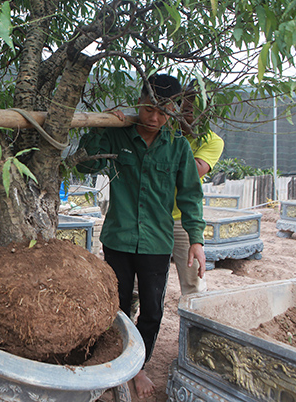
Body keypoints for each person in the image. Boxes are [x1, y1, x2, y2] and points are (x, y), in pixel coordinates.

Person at [76, 74, 205, 398]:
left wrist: (196, 240)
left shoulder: (177, 147)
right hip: (118, 239)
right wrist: (104, 125)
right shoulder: (119, 136)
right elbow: (83, 165)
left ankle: (138, 367)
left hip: (156, 244)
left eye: (163, 111)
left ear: (173, 110)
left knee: (152, 310)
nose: (154, 117)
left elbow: (190, 194)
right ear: (139, 102)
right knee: (116, 307)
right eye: (149, 108)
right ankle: (113, 362)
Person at [172, 86, 224, 295]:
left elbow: (193, 172)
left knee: (193, 284)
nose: (186, 116)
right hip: (153, 216)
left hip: (182, 219)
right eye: (183, 110)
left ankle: (195, 326)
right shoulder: (165, 132)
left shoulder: (212, 141)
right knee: (140, 283)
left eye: (192, 112)